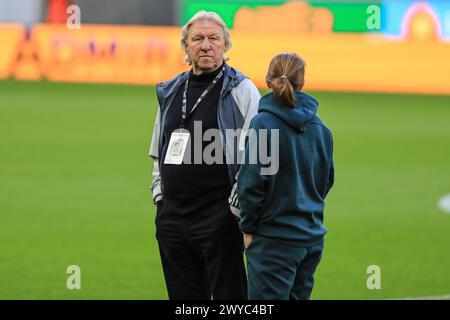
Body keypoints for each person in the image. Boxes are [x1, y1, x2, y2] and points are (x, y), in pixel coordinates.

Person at [148, 10, 260, 300]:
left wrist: (234, 208)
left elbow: (256, 153)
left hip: (220, 217)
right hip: (173, 218)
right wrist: (161, 199)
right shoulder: (171, 90)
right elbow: (158, 149)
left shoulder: (242, 90)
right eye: (198, 39)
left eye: (214, 38)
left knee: (230, 297)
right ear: (186, 47)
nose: (206, 45)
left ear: (226, 45)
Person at [237, 52, 334, 300]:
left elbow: (251, 183)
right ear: (302, 82)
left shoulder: (262, 124)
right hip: (311, 238)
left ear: (268, 81)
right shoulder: (321, 128)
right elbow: (326, 180)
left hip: (274, 241)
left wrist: (248, 228)